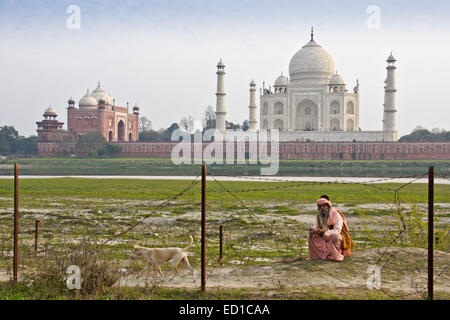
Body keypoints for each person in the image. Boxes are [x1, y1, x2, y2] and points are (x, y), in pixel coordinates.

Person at [307, 197, 354, 261]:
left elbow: (337, 230)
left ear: (328, 206)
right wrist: (314, 230)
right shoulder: (318, 215)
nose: (322, 208)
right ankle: (317, 256)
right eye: (320, 206)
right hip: (323, 235)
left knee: (335, 237)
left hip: (336, 235)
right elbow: (316, 226)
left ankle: (335, 256)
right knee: (311, 236)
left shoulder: (336, 214)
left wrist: (324, 232)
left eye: (324, 206)